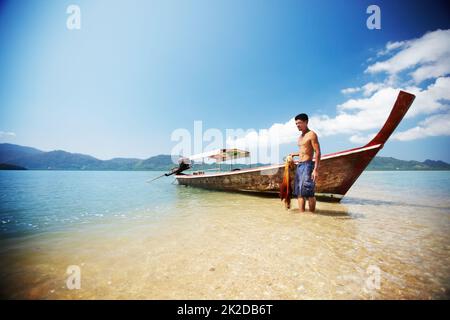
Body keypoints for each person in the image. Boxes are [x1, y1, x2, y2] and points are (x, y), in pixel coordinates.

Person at [289, 113, 321, 213]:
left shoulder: (311, 134)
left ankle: (312, 215)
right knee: (299, 192)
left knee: (309, 192)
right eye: (296, 124)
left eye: (299, 123)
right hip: (300, 165)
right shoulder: (300, 137)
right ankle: (302, 215)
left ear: (306, 122)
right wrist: (293, 154)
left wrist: (315, 169)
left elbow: (317, 152)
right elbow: (303, 151)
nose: (297, 125)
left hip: (308, 165)